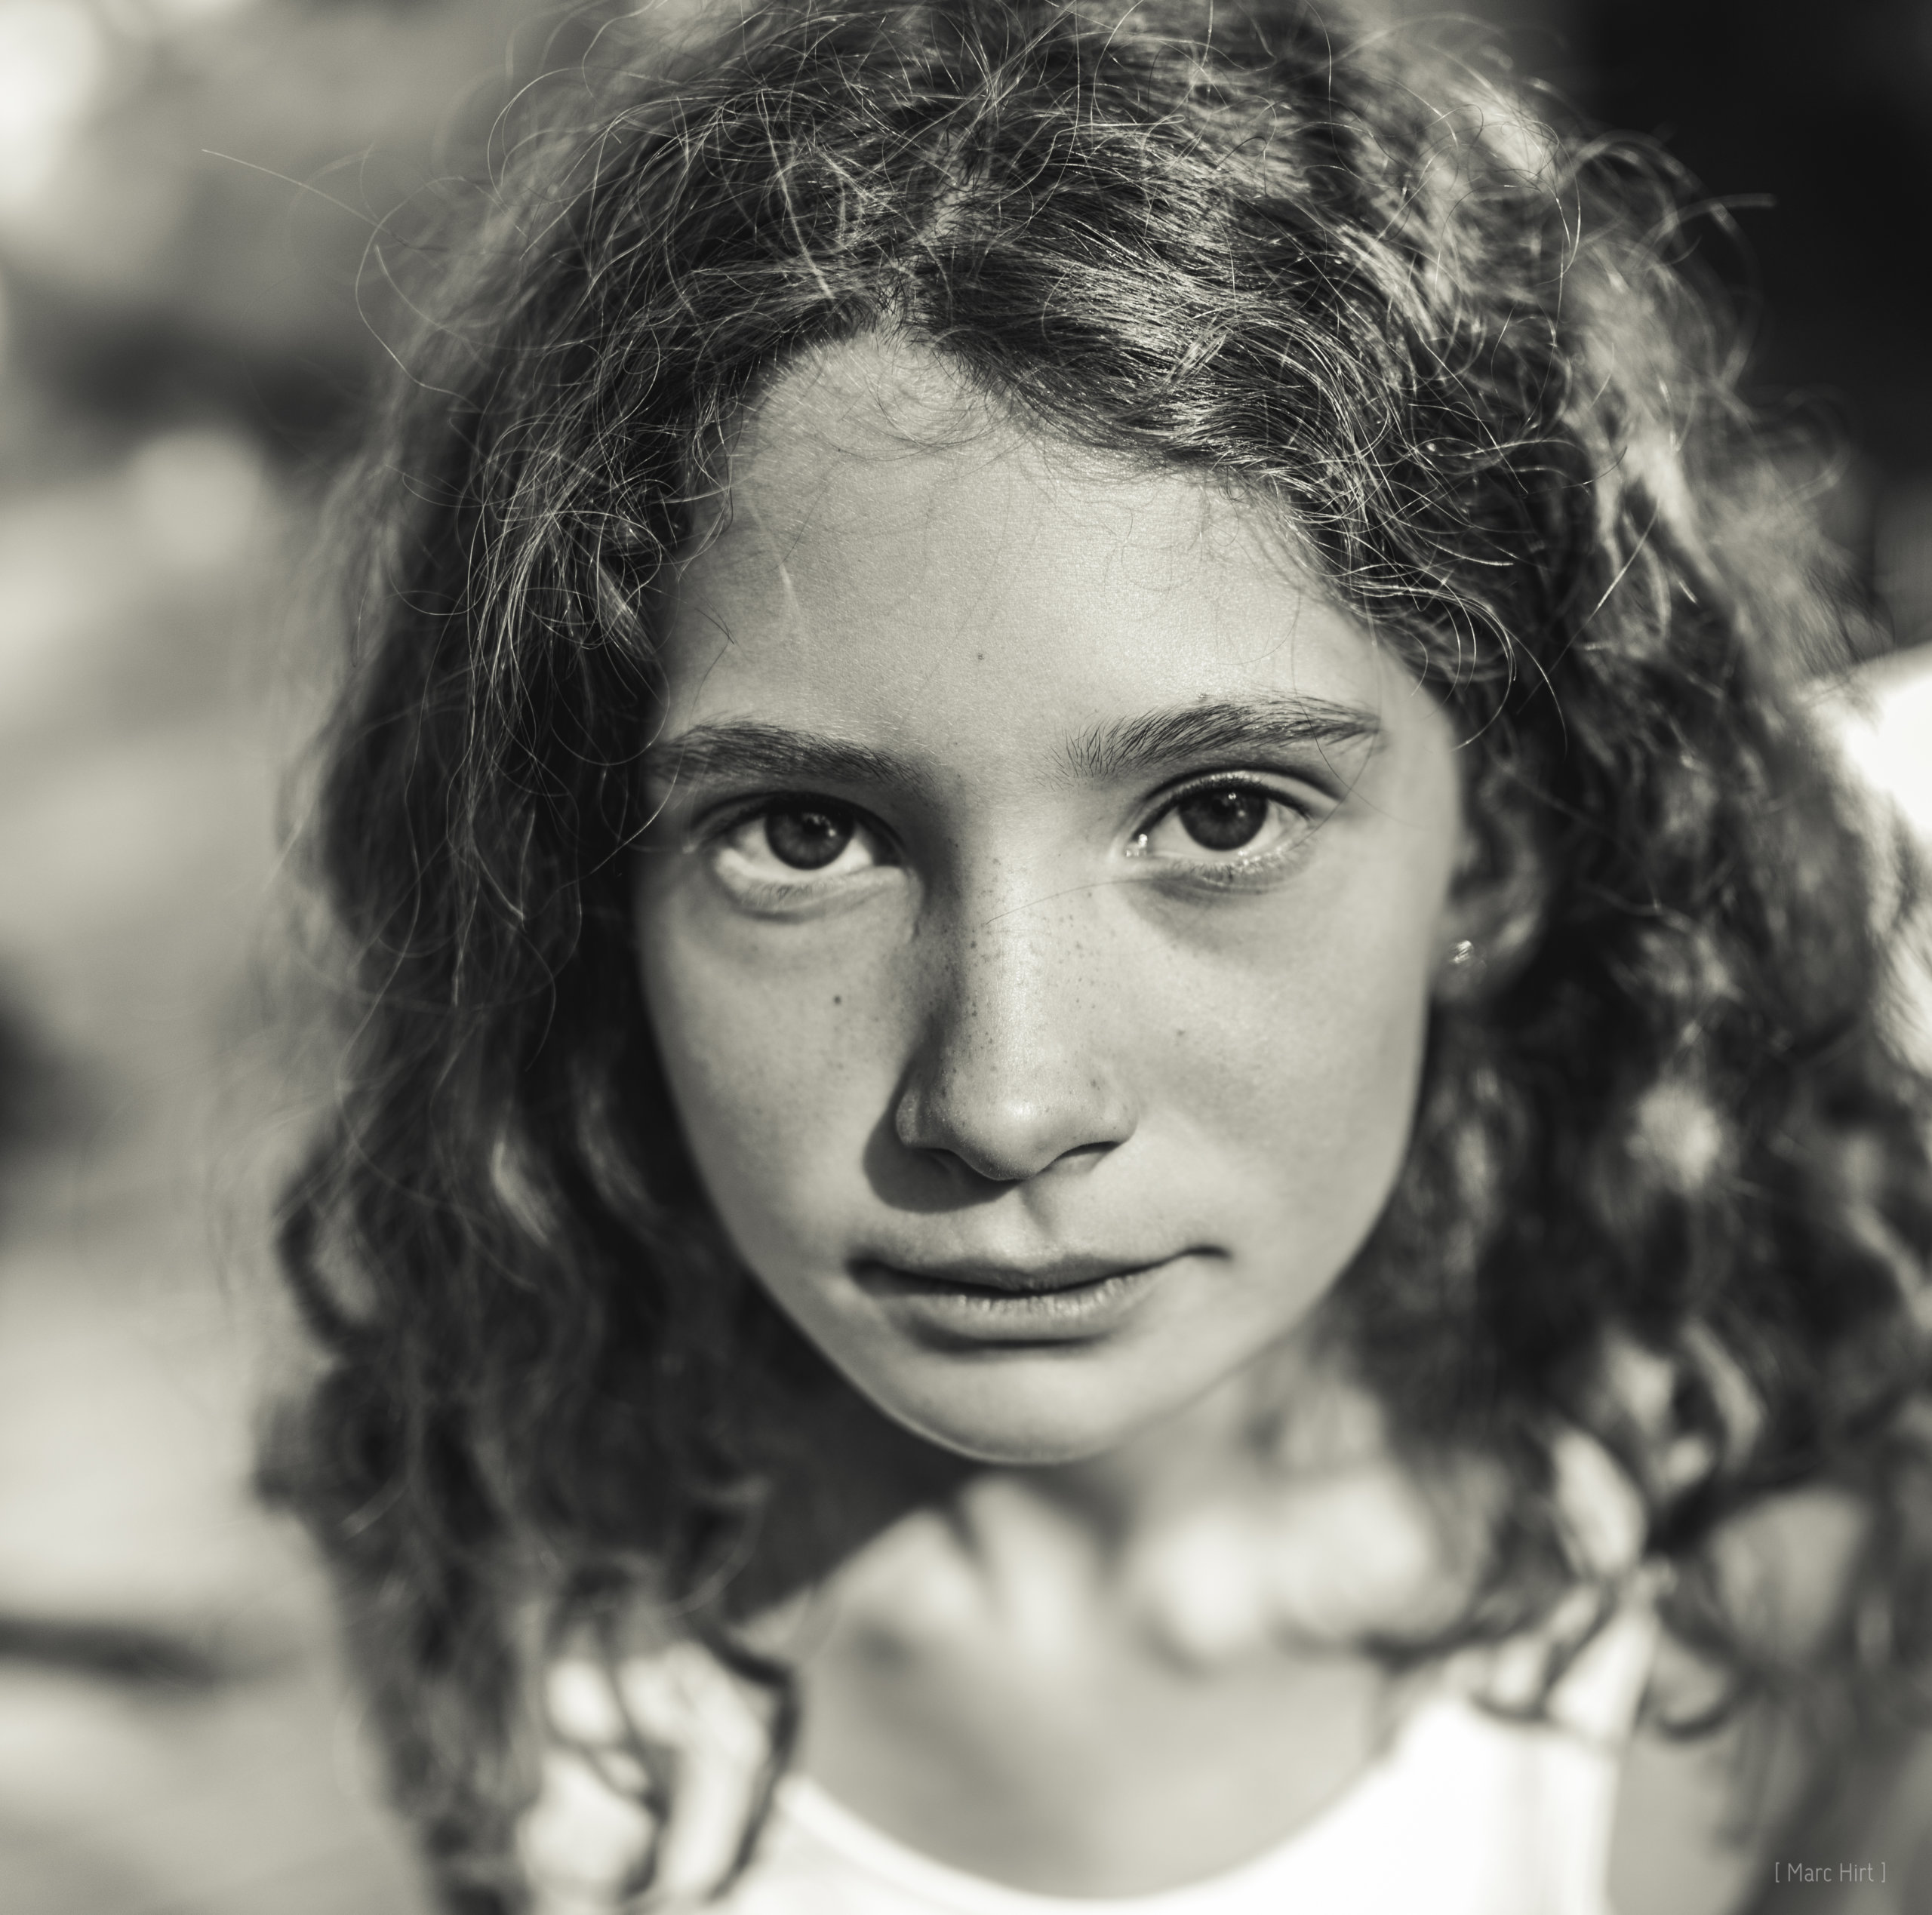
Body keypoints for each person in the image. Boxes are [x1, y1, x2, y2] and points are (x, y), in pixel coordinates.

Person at [266, 2, 1932, 1910]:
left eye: (1219, 816)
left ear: (1496, 850)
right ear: (589, 890)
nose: (1006, 1099)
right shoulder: (548, 1624)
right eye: (804, 835)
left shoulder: (1781, 1597)